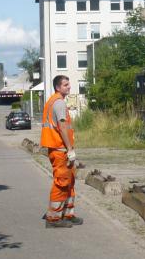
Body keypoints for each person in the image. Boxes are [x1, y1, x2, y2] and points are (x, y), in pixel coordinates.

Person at [39, 75, 83, 228]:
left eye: (68, 84)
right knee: (62, 182)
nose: (69, 87)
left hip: (60, 148)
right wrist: (70, 149)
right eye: (65, 85)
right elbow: (62, 127)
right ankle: (54, 218)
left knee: (69, 181)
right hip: (60, 149)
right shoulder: (58, 103)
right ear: (58, 87)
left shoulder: (55, 101)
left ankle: (67, 214)